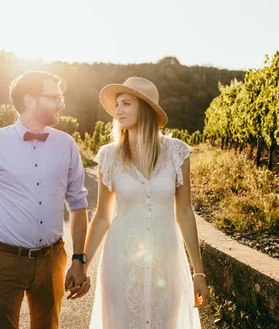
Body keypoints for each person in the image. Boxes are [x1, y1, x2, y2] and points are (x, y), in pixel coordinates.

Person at [0, 71, 91, 329]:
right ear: (30, 100)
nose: (62, 103)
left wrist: (79, 260)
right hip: (4, 259)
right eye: (55, 97)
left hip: (53, 260)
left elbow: (78, 204)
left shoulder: (67, 145)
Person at [84, 77, 209, 328]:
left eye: (126, 103)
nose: (118, 111)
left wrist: (198, 272)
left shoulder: (177, 152)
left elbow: (184, 212)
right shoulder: (109, 156)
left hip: (167, 259)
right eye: (117, 105)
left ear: (146, 108)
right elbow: (102, 216)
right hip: (121, 260)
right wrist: (81, 262)